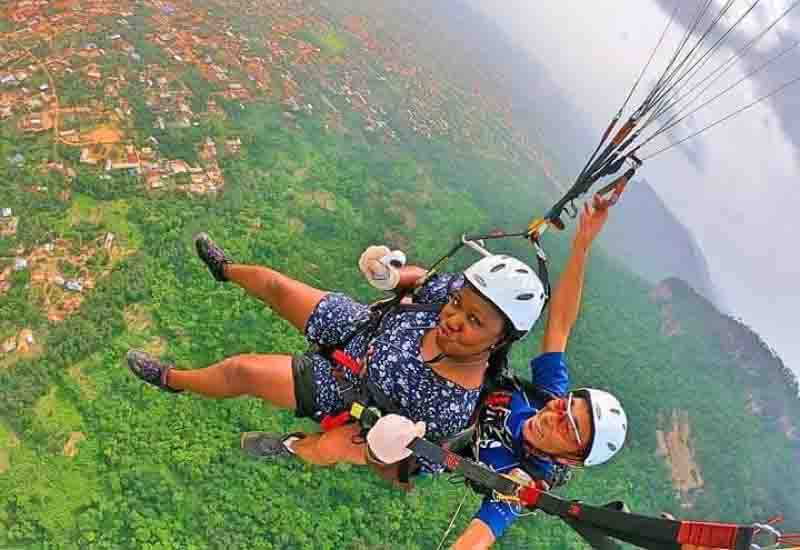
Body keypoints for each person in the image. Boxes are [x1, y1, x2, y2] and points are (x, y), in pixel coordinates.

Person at [125, 230, 547, 471]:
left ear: (501, 339)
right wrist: (391, 275)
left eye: (475, 322)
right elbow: (423, 283)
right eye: (459, 305)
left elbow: (413, 464)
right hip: (359, 326)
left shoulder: (452, 404)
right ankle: (226, 271)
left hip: (345, 391)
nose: (454, 319)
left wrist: (383, 449)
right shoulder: (453, 293)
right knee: (275, 286)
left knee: (244, 371)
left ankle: (172, 380)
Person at [363, 194, 628, 549]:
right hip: (451, 380)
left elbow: (479, 536)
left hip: (427, 434)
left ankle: (299, 447)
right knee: (445, 297)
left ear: (571, 459)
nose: (554, 415)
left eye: (570, 427)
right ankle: (390, 277)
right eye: (564, 407)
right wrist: (582, 245)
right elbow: (560, 326)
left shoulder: (524, 479)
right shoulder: (547, 396)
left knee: (373, 448)